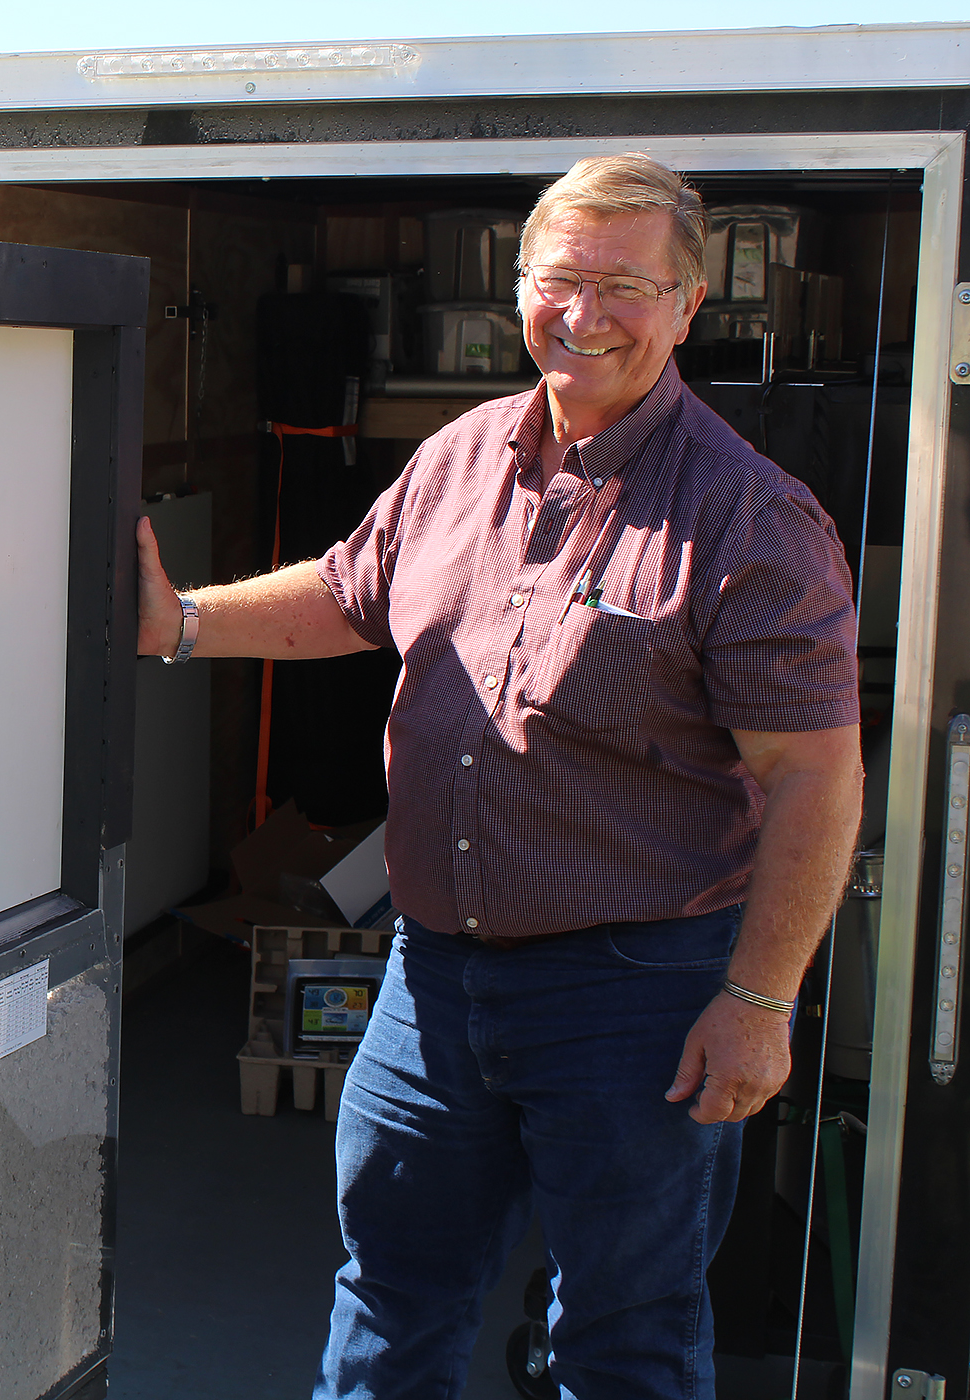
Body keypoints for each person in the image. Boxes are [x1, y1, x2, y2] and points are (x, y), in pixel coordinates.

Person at [136, 154, 862, 1399]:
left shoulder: (752, 518)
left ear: (691, 304)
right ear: (522, 285)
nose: (586, 313)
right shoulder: (462, 453)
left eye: (627, 284)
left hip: (637, 994)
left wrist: (758, 1000)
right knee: (390, 1291)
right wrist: (181, 619)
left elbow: (812, 779)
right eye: (561, 278)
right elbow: (349, 592)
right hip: (431, 981)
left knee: (622, 1333)